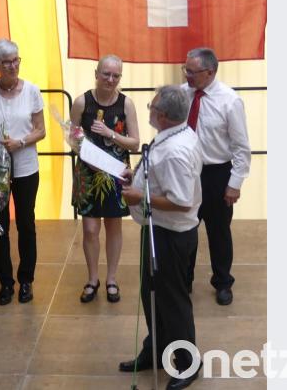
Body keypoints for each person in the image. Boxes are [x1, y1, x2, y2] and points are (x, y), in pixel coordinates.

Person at [119, 85, 203, 390]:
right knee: (151, 294)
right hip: (157, 229)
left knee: (172, 300)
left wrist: (140, 195)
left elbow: (182, 200)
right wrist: (138, 177)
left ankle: (187, 364)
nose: (149, 110)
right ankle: (156, 350)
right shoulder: (177, 133)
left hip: (170, 235)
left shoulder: (175, 152)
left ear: (163, 116)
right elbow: (159, 174)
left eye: (152, 107)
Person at [0, 39, 46, 305]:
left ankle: (26, 280)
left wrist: (21, 143)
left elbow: (41, 129)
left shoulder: (32, 91)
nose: (13, 65)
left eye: (16, 60)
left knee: (26, 223)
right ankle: (5, 282)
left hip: (26, 168)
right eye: (6, 62)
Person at [181, 47, 251, 306]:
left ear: (209, 72)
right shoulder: (181, 94)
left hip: (216, 174)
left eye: (192, 71)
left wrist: (235, 183)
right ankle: (183, 280)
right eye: (185, 69)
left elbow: (241, 147)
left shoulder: (229, 100)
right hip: (186, 173)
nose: (187, 75)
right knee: (184, 229)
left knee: (218, 232)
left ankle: (222, 282)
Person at [70, 55, 140, 303]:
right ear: (96, 73)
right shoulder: (82, 102)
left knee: (113, 226)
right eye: (106, 74)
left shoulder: (126, 104)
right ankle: (92, 278)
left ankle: (111, 278)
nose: (111, 79)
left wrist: (111, 134)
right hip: (88, 174)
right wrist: (84, 153)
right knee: (90, 229)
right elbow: (73, 138)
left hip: (116, 173)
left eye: (116, 75)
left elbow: (135, 143)